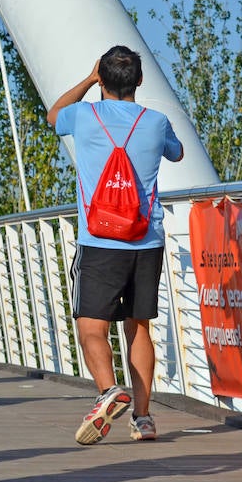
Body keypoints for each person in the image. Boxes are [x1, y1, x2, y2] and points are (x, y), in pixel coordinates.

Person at [46, 46, 183, 444]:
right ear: (139, 81)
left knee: (91, 326)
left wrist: (88, 81)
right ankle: (143, 418)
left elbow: (54, 115)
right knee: (138, 326)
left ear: (102, 80)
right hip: (145, 239)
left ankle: (109, 390)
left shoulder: (85, 115)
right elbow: (177, 153)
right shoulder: (156, 122)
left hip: (100, 237)